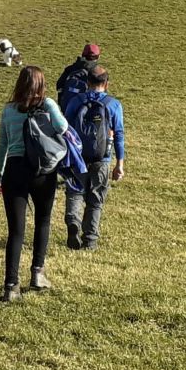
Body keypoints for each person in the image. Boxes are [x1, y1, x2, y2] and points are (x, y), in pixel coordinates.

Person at [0, 65, 68, 302]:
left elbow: (2, 147)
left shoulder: (8, 110)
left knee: (15, 231)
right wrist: (47, 106)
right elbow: (62, 127)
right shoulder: (46, 104)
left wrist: (0, 175)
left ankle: (10, 285)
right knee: (43, 220)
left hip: (15, 169)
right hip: (42, 170)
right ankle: (37, 272)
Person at [63, 65, 126, 251]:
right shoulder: (113, 104)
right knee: (96, 199)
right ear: (106, 84)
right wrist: (119, 163)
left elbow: (64, 128)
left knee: (75, 191)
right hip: (103, 158)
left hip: (78, 157)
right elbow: (119, 134)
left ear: (87, 82)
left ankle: (73, 219)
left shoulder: (76, 101)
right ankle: (90, 240)